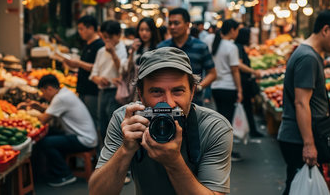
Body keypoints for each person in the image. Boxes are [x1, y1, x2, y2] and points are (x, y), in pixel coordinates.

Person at [88, 47, 233, 195]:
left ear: (192, 92)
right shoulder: (127, 120)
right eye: (157, 92)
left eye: (177, 91)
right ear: (140, 94)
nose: (169, 103)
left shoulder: (213, 127)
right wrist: (126, 150)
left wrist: (174, 162)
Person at [277, 9, 330, 195]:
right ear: (326, 30)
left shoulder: (308, 54)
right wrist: (308, 144)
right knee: (300, 187)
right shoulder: (308, 58)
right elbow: (301, 103)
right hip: (298, 138)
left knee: (297, 187)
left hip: (296, 136)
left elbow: (314, 100)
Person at [36, 74, 98, 187]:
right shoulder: (65, 93)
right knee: (50, 133)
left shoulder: (60, 98)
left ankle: (64, 175)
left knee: (45, 142)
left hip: (84, 140)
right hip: (84, 136)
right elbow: (52, 110)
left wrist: (29, 113)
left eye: (43, 92)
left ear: (49, 88)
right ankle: (55, 170)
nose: (43, 96)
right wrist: (37, 107)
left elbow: (43, 120)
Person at [157, 7, 216, 106]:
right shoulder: (162, 47)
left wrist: (198, 87)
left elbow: (212, 73)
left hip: (194, 102)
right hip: (166, 103)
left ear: (187, 24)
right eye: (170, 23)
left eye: (176, 23)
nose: (172, 27)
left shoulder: (200, 46)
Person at [205, 19, 243, 162]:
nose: (238, 33)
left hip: (215, 87)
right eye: (237, 30)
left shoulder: (213, 41)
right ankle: (226, 152)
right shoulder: (231, 47)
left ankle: (222, 150)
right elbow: (235, 71)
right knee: (227, 123)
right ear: (232, 30)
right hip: (229, 88)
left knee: (222, 120)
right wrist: (239, 90)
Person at [63, 15, 104, 132]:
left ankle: (95, 147)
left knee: (92, 120)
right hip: (83, 88)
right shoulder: (88, 44)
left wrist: (79, 63)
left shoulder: (99, 45)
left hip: (92, 91)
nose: (80, 32)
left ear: (91, 28)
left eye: (81, 29)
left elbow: (97, 68)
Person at [90, 20, 128, 141]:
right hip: (102, 92)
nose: (107, 40)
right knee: (102, 125)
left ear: (118, 35)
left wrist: (112, 53)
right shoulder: (101, 51)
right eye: (104, 37)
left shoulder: (124, 49)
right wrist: (99, 80)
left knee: (114, 127)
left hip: (116, 93)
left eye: (110, 37)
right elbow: (93, 74)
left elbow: (123, 71)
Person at [235, 28, 264, 138]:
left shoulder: (239, 47)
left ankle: (251, 129)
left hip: (244, 81)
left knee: (247, 106)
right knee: (247, 106)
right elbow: (239, 64)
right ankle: (251, 130)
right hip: (244, 82)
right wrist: (253, 71)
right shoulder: (238, 47)